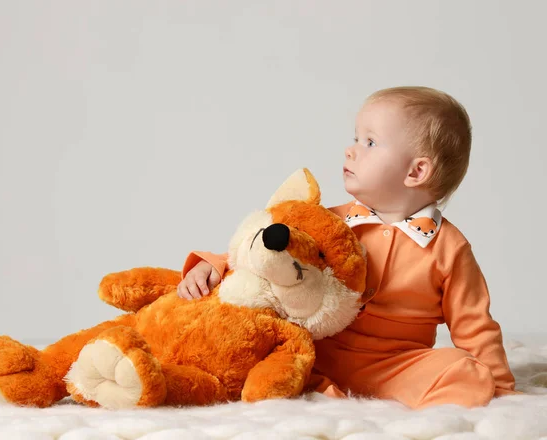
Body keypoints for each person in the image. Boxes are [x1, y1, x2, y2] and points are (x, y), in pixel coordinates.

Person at [176, 86, 518, 409]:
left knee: (464, 371)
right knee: (247, 339)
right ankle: (306, 384)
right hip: (315, 351)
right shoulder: (328, 221)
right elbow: (266, 251)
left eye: (370, 142)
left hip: (395, 366)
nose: (350, 149)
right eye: (355, 138)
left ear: (416, 171)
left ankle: (371, 397)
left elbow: (475, 325)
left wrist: (501, 389)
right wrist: (214, 265)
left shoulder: (449, 248)